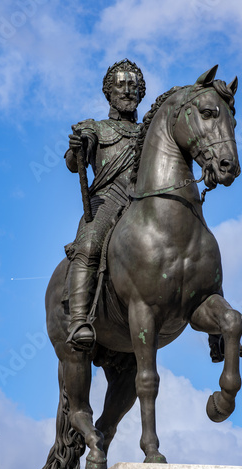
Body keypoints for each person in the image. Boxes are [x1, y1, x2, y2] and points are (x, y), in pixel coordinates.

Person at [64, 59, 146, 350]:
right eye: (120, 85)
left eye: (133, 86)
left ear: (140, 93)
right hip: (108, 201)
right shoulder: (94, 127)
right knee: (88, 245)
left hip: (144, 201)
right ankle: (78, 321)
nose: (127, 91)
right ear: (109, 92)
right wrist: (79, 145)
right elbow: (74, 164)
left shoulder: (149, 133)